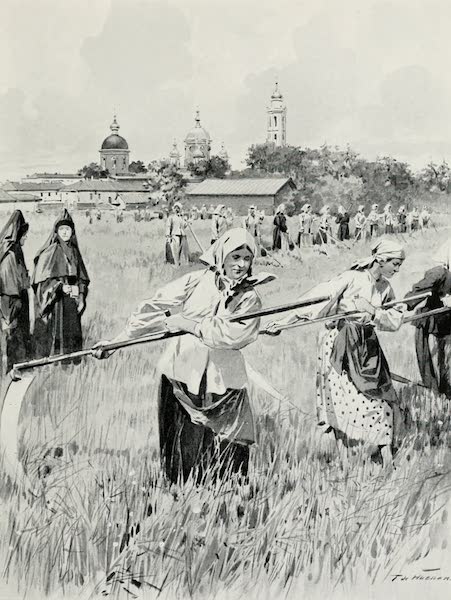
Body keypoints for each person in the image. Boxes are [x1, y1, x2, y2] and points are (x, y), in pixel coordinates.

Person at [94, 228, 275, 484]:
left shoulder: (249, 298)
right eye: (235, 257)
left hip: (222, 380)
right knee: (183, 445)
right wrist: (117, 342)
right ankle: (181, 492)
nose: (241, 264)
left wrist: (188, 323)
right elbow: (153, 307)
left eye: (247, 258)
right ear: (222, 256)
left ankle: (228, 496)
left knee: (227, 447)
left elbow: (234, 336)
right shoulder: (196, 281)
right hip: (182, 373)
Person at [267, 238, 407, 465]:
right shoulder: (351, 278)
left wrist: (373, 312)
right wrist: (284, 322)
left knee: (379, 398)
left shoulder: (386, 287)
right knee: (344, 400)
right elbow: (316, 302)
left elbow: (393, 320)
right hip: (341, 346)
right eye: (395, 263)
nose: (398, 269)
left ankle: (386, 457)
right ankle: (345, 458)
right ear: (381, 259)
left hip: (368, 346)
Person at [32, 209, 90, 360]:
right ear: (56, 231)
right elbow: (42, 282)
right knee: (57, 334)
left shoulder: (75, 252)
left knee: (72, 334)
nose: (65, 232)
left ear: (72, 231)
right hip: (56, 303)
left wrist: (81, 293)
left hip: (72, 300)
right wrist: (59, 286)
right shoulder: (50, 252)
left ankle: (73, 363)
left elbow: (82, 278)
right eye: (62, 229)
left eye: (68, 229)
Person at [404, 241, 451, 396]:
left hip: (447, 322)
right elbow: (419, 291)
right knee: (435, 358)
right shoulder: (439, 272)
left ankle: (446, 391)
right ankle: (436, 392)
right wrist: (403, 307)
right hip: (433, 322)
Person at [0, 210, 32, 373]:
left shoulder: (16, 251)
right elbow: (10, 284)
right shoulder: (10, 256)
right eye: (24, 235)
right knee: (13, 339)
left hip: (18, 301)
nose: (26, 238)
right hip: (12, 304)